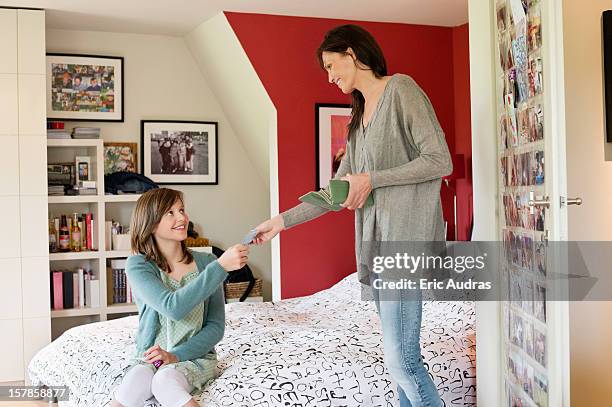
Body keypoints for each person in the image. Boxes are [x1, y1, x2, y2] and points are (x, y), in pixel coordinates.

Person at [253, 24, 451, 407]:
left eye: (331, 65)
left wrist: (372, 179)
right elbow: (337, 191)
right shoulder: (358, 119)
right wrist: (280, 221)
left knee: (401, 360)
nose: (330, 77)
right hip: (377, 248)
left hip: (405, 243)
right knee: (399, 363)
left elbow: (439, 160)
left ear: (352, 53)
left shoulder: (401, 90)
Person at [110, 188, 249, 407]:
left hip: (195, 358)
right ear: (151, 222)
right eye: (171, 212)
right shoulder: (139, 265)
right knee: (136, 380)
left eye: (182, 210)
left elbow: (215, 327)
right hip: (151, 357)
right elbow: (172, 307)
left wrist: (174, 356)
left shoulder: (207, 262)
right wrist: (221, 267)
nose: (182, 217)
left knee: (164, 381)